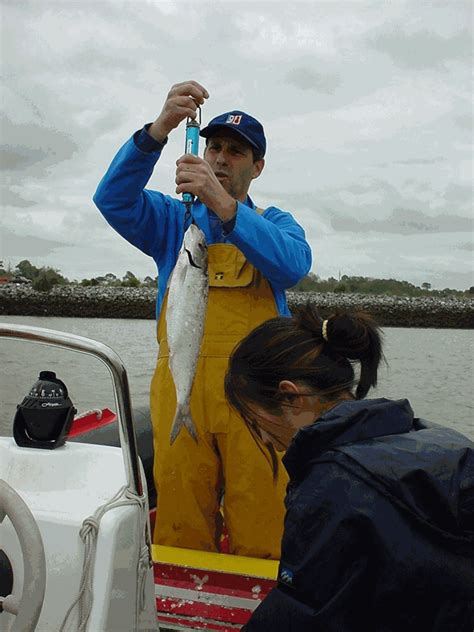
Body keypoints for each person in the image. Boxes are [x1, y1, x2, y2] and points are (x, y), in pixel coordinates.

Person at [93, 80, 312, 558]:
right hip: (181, 392)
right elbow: (112, 199)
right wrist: (158, 130)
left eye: (236, 152)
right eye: (214, 146)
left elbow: (293, 265)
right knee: (179, 518)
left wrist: (225, 206)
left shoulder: (277, 225)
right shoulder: (171, 222)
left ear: (257, 167)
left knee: (262, 520)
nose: (220, 157)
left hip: (260, 404)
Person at [224, 304, 474, 631]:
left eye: (257, 423)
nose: (265, 439)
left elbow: (302, 613)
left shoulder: (332, 485)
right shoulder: (436, 438)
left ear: (290, 397)